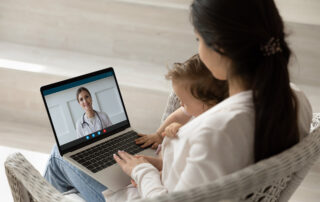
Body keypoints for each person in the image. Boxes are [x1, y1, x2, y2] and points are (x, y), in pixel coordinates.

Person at [108, 0, 312, 200]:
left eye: (199, 40)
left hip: (148, 192)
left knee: (76, 171)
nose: (198, 50)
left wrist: (142, 171)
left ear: (219, 47)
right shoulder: (296, 101)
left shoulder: (214, 133)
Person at [135, 54, 228, 151]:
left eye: (185, 102)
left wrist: (183, 131)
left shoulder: (215, 124)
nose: (181, 104)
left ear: (206, 104)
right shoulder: (198, 105)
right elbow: (176, 116)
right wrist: (158, 135)